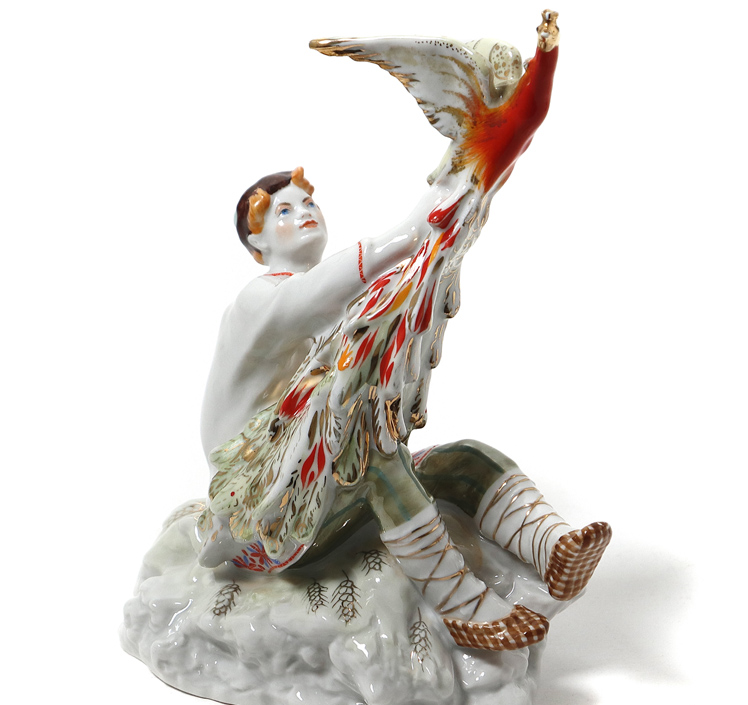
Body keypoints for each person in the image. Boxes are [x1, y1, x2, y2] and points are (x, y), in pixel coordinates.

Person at [197, 15, 611, 651]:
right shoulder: (259, 302)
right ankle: (463, 606)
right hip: (261, 516)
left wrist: (475, 174)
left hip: (307, 486)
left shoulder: (334, 309)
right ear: (256, 244)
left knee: (457, 461)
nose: (304, 212)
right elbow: (320, 294)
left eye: (308, 202)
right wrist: (417, 227)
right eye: (283, 210)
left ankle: (554, 547)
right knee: (373, 454)